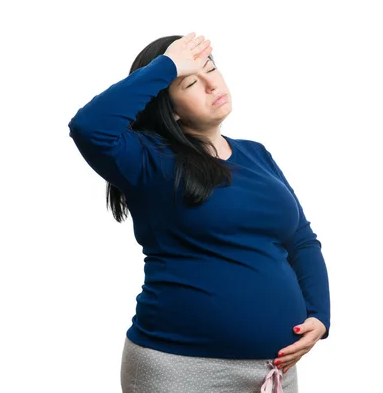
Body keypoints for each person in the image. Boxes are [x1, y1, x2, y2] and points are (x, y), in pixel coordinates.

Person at [67, 32, 331, 393]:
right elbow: (89, 127)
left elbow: (301, 240)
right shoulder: (149, 160)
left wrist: (319, 314)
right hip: (180, 370)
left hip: (274, 369)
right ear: (168, 107)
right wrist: (169, 65)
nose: (212, 84)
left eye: (211, 68)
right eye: (191, 82)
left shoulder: (256, 154)